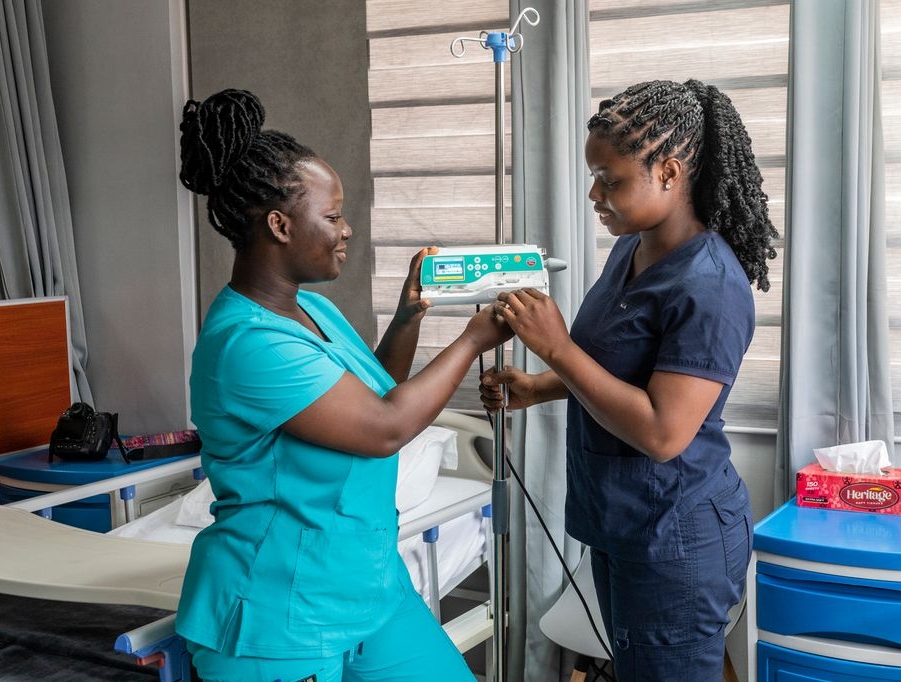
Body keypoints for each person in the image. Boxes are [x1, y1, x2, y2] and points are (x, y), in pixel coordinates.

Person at [174, 88, 512, 682]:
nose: (347, 229)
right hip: (278, 616)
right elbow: (385, 429)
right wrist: (472, 341)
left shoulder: (312, 310)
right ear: (279, 225)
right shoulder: (247, 344)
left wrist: (409, 318)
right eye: (331, 216)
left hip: (368, 590)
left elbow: (376, 394)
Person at [480, 79, 777, 681]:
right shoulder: (632, 249)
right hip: (625, 524)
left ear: (669, 173)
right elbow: (626, 369)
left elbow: (665, 431)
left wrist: (557, 349)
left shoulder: (711, 287)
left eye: (610, 180)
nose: (594, 194)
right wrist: (539, 387)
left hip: (678, 534)